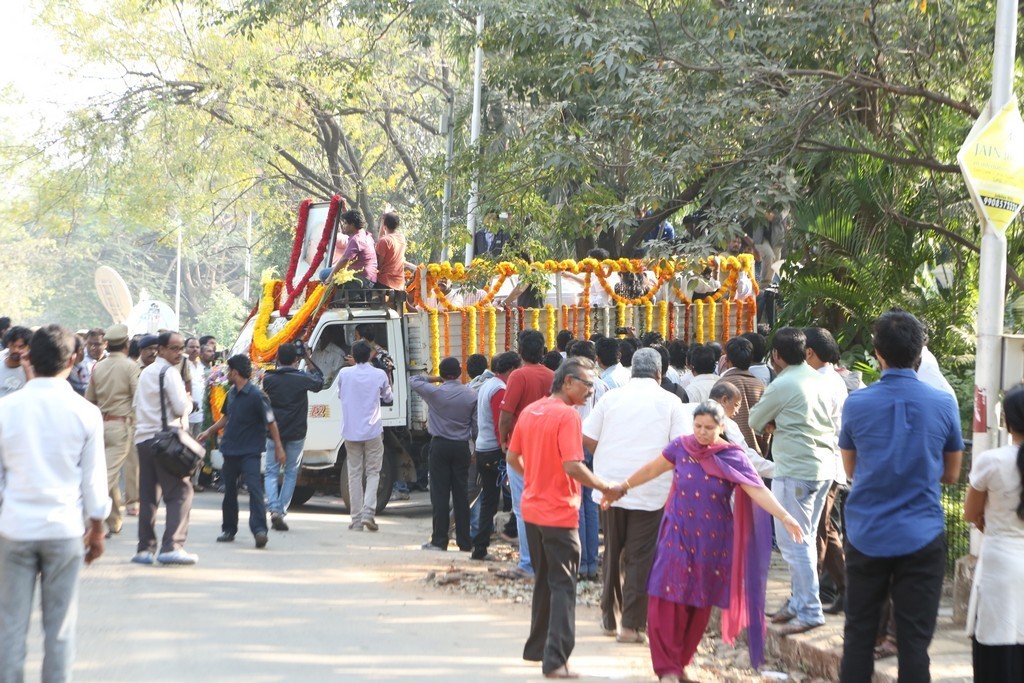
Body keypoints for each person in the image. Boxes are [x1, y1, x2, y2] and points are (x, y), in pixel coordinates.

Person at [601, 401, 802, 683]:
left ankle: (680, 664)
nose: (702, 433)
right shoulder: (681, 447)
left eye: (709, 428)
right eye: (698, 426)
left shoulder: (732, 456)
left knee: (699, 603)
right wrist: (622, 487)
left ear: (722, 427)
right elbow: (651, 470)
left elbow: (756, 490)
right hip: (677, 534)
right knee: (667, 596)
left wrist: (784, 516)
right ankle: (667, 668)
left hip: (713, 542)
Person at [838, 310, 963, 683]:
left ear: (877, 353)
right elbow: (952, 474)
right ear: (920, 353)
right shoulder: (943, 403)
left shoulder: (856, 403)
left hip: (866, 532)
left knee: (858, 637)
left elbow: (850, 469)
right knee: (914, 645)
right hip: (922, 534)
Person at [0, 325, 110, 683]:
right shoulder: (84, 412)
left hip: (14, 528)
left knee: (10, 628)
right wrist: (97, 529)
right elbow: (93, 480)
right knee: (60, 630)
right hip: (63, 531)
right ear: (73, 359)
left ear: (30, 356)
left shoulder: (6, 409)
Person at [506, 357, 615, 679]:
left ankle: (538, 649)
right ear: (568, 382)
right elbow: (573, 465)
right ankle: (555, 660)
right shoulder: (567, 416)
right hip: (558, 512)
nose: (590, 390)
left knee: (545, 582)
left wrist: (535, 478)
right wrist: (604, 486)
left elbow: (513, 456)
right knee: (564, 586)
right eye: (587, 384)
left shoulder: (532, 411)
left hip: (533, 510)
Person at [582, 348, 689, 644]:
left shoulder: (610, 398)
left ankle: (609, 616)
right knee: (641, 557)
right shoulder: (671, 402)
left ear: (631, 371)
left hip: (608, 486)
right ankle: (629, 626)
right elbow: (680, 448)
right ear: (660, 373)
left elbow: (588, 437)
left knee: (613, 552)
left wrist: (608, 458)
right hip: (650, 490)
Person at [747, 327, 835, 634]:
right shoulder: (819, 379)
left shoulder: (782, 384)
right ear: (806, 351)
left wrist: (774, 424)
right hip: (824, 468)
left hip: (795, 468)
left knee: (794, 542)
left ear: (776, 356)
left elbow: (755, 421)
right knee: (805, 539)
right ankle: (799, 603)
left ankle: (809, 609)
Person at [964, 384, 1024, 682]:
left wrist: (992, 524)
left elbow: (970, 513)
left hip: (1000, 561)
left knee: (996, 646)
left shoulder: (992, 460)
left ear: (1008, 421)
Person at [199, 355, 284, 549]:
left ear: (235, 372)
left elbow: (271, 422)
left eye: (229, 371)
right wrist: (209, 431)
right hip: (230, 450)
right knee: (229, 491)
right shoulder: (231, 394)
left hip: (250, 452)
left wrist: (278, 447)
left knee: (254, 489)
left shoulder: (257, 396)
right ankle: (229, 529)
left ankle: (260, 531)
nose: (227, 374)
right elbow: (226, 418)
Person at [132, 331, 198, 566]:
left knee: (149, 495)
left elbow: (136, 405)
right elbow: (181, 408)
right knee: (181, 491)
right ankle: (172, 545)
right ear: (160, 349)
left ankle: (144, 549)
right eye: (174, 348)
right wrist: (189, 401)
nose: (179, 353)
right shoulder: (168, 373)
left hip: (143, 439)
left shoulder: (145, 372)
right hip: (165, 440)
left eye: (181, 348)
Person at [499, 330, 555, 579]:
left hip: (521, 448)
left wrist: (503, 439)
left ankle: (528, 562)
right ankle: (544, 559)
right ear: (543, 351)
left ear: (519, 352)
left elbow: (506, 414)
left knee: (522, 507)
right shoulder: (553, 376)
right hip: (548, 448)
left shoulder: (518, 376)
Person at [411, 358, 478, 551]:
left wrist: (435, 378)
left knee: (439, 495)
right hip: (461, 447)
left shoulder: (435, 392)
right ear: (459, 373)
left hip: (440, 446)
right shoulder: (471, 394)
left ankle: (439, 541)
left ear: (442, 373)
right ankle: (465, 542)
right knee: (461, 495)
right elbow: (475, 427)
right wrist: (474, 449)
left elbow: (414, 381)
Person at [804, 326, 849, 614]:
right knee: (825, 528)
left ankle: (808, 595)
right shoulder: (831, 379)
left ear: (809, 353)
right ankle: (846, 589)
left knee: (817, 530)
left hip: (824, 463)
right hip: (829, 463)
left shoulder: (820, 382)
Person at [261, 341, 325, 531]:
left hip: (274, 433)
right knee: (290, 473)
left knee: (272, 472)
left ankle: (273, 508)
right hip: (296, 433)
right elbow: (319, 381)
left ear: (278, 358)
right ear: (296, 359)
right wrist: (307, 358)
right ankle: (280, 511)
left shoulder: (268, 379)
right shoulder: (301, 378)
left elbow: (274, 373)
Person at [85, 323, 140, 538]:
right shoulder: (130, 367)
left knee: (109, 472)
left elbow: (89, 399)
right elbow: (138, 398)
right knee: (106, 477)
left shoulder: (98, 366)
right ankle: (86, 520)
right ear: (126, 344)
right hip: (121, 426)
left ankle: (115, 522)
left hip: (101, 424)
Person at [336, 340, 393, 531]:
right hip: (372, 430)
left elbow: (339, 395)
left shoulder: (344, 373)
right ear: (369, 356)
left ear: (353, 354)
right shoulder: (379, 374)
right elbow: (388, 398)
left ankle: (356, 519)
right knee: (373, 472)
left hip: (351, 431)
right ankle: (369, 513)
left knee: (354, 474)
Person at [472, 351, 522, 561]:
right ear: (511, 370)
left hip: (483, 448)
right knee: (506, 497)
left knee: (489, 499)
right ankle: (489, 541)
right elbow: (499, 422)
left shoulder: (487, 385)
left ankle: (480, 547)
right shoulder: (500, 389)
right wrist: (505, 445)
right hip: (494, 449)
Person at [715, 336, 766, 454]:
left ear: (727, 359)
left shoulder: (721, 385)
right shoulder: (760, 385)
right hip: (759, 457)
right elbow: (767, 429)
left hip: (730, 456)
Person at [320, 209, 378, 287]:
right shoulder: (365, 234)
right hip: (370, 277)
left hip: (363, 279)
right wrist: (344, 209)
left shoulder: (356, 239)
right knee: (328, 271)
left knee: (323, 274)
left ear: (352, 225)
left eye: (345, 223)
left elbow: (344, 260)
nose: (344, 226)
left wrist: (329, 279)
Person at [374, 211, 408, 290]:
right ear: (398, 225)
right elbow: (382, 238)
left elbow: (379, 264)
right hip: (399, 282)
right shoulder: (401, 238)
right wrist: (383, 220)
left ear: (385, 225)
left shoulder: (384, 240)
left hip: (385, 281)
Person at [0, 326, 33, 398]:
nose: (15, 350)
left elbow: (33, 394)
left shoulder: (34, 369)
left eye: (21, 347)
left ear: (29, 347)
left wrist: (27, 369)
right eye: (12, 345)